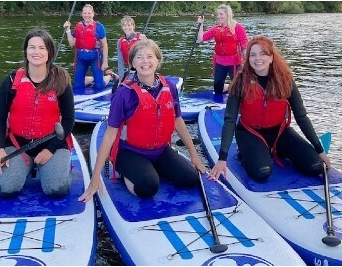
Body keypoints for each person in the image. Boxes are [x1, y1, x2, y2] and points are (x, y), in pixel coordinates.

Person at [79, 39, 206, 202]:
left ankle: (151, 168)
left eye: (150, 56)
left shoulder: (170, 88)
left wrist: (194, 157)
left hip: (159, 150)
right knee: (148, 187)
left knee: (190, 178)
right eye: (139, 57)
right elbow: (110, 135)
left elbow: (178, 121)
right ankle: (127, 172)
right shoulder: (123, 94)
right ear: (132, 62)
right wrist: (95, 178)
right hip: (129, 152)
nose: (145, 61)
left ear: (157, 60)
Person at [209, 35, 331, 183]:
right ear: (248, 59)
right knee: (262, 173)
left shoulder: (285, 80)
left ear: (272, 57)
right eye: (252, 55)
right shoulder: (240, 82)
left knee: (316, 166)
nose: (257, 58)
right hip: (249, 133)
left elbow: (301, 116)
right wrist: (222, 158)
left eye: (263, 54)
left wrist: (320, 150)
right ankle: (246, 153)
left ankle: (277, 150)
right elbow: (230, 120)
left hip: (280, 132)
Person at [0, 28, 75, 197]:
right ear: (26, 51)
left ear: (50, 52)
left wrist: (50, 150)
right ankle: (26, 165)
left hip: (53, 144)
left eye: (42, 47)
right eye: (32, 47)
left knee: (56, 190)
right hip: (17, 145)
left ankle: (56, 167)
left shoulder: (61, 80)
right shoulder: (10, 81)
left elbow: (68, 119)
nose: (36, 52)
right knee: (5, 189)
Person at [197, 4, 248, 95]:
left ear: (227, 14)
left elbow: (245, 46)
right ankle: (229, 87)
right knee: (217, 89)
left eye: (221, 14)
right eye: (217, 14)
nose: (218, 16)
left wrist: (247, 62)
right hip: (220, 62)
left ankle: (234, 88)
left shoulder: (237, 27)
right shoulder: (216, 28)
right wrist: (201, 24)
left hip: (234, 63)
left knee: (238, 90)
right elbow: (201, 38)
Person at [63, 4, 109, 91]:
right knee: (77, 86)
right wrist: (68, 30)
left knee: (99, 86)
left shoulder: (99, 27)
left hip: (95, 58)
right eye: (85, 13)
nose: (87, 15)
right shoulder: (78, 26)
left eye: (89, 13)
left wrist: (105, 62)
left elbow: (105, 45)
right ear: (82, 14)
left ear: (93, 14)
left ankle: (109, 76)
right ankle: (92, 78)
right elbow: (72, 43)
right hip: (81, 58)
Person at [117, 15, 146, 81]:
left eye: (129, 25)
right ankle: (116, 77)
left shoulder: (141, 38)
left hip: (141, 69)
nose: (127, 27)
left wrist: (145, 41)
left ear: (133, 26)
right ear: (122, 27)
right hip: (130, 69)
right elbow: (120, 61)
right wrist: (120, 79)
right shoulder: (120, 42)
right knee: (116, 89)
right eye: (124, 25)